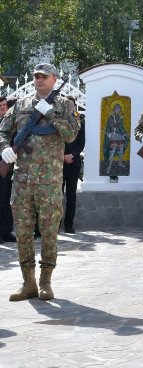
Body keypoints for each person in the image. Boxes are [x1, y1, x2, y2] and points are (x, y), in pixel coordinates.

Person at [0, 63, 80, 302]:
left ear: (54, 79)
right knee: (23, 234)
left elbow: (71, 135)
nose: (39, 80)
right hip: (22, 182)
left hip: (50, 183)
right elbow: (3, 131)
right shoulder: (22, 105)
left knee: (48, 234)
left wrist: (51, 113)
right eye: (36, 77)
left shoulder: (66, 105)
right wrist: (4, 149)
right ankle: (28, 282)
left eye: (44, 77)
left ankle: (45, 282)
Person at [62, 112, 85, 234]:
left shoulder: (80, 123)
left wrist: (71, 155)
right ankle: (56, 224)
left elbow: (81, 144)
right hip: (58, 164)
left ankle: (68, 225)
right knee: (57, 195)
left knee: (71, 195)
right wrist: (62, 156)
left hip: (73, 163)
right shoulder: (59, 121)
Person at [0, 97, 16, 243]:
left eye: (4, 105)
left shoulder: (12, 123)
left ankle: (6, 231)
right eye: (0, 106)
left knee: (6, 200)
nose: (3, 108)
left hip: (7, 166)